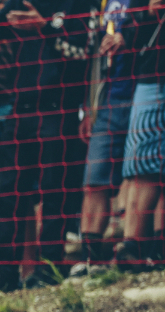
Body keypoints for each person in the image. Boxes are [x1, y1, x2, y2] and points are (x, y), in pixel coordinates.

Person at [0, 0, 93, 290]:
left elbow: (83, 52)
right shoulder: (18, 3)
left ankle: (49, 270)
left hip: (58, 109)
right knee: (9, 195)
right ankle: (3, 277)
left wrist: (43, 28)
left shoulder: (79, 4)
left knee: (53, 192)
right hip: (19, 108)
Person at [72, 0, 138, 276]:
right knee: (94, 178)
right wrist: (89, 107)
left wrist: (129, 38)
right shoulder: (102, 4)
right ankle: (90, 258)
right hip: (107, 99)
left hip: (143, 92)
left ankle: (136, 249)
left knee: (140, 174)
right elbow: (93, 58)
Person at [118, 0, 165, 269]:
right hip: (151, 75)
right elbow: (128, 33)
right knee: (142, 161)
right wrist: (147, 13)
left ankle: (156, 246)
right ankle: (133, 245)